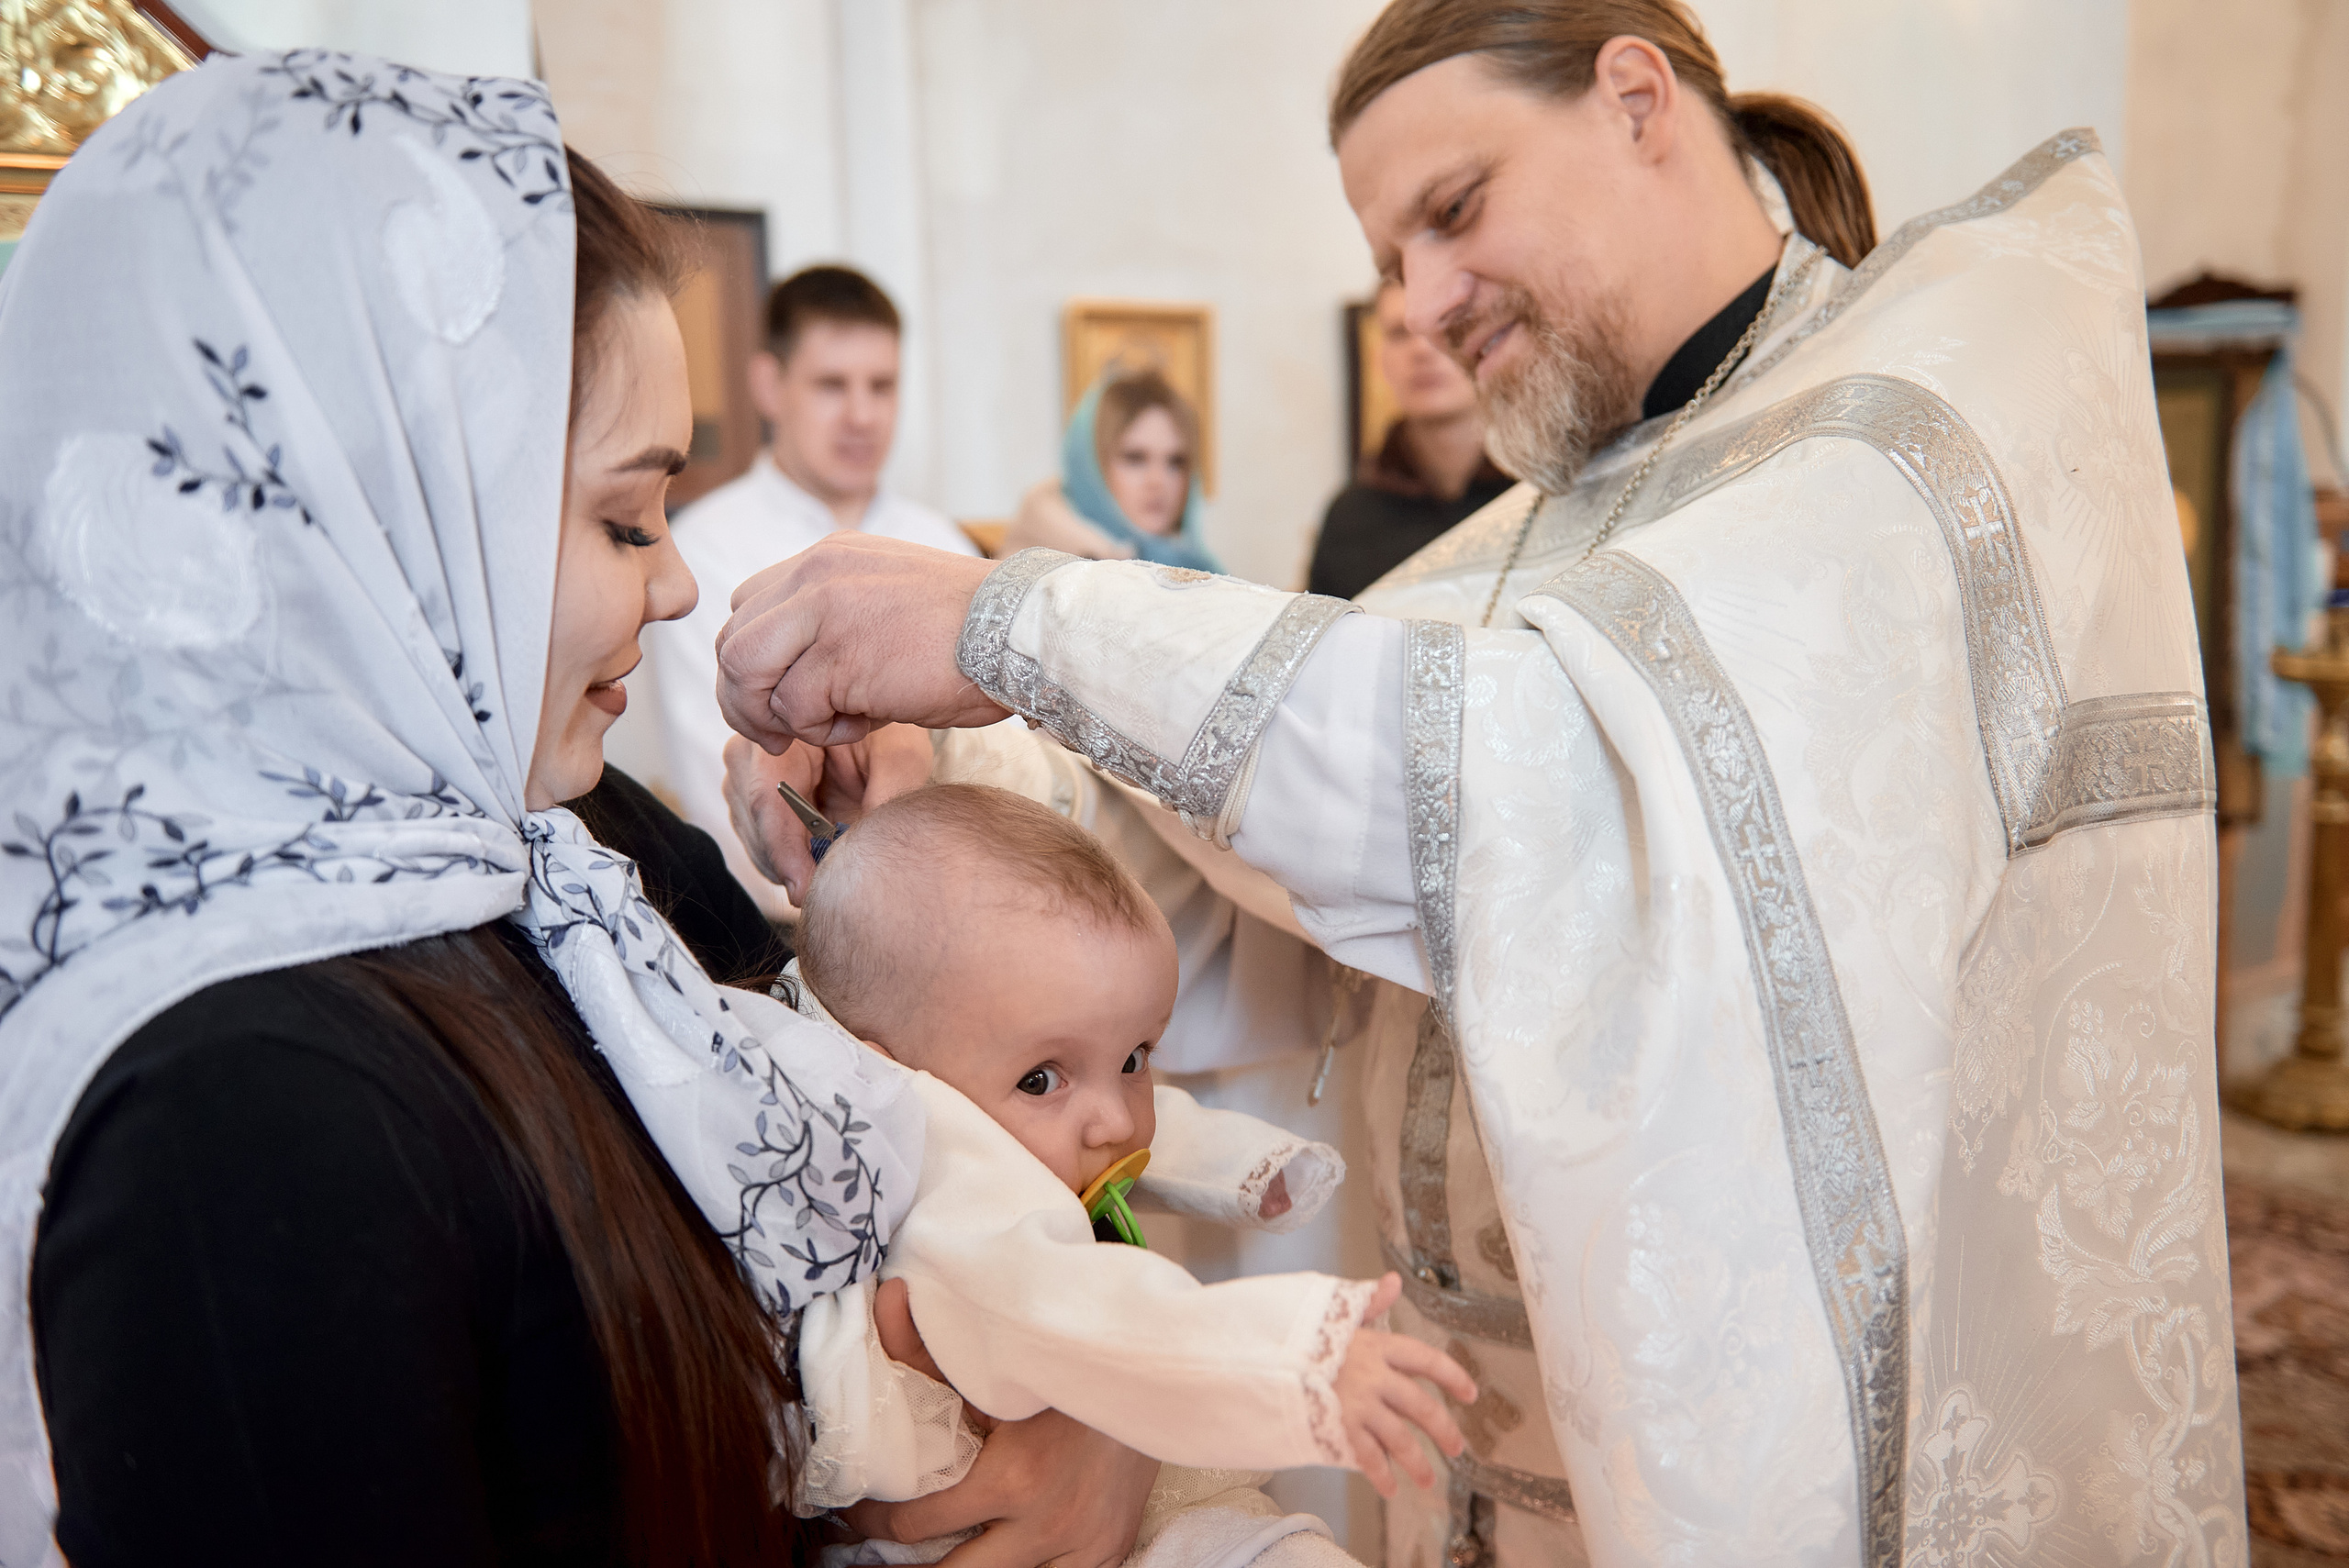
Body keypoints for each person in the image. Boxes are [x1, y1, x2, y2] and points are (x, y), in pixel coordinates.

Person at [707, 3, 2249, 1565]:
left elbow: (1534, 783)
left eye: (1453, 211)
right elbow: (1265, 881)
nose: (1424, 305)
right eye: (1390, 260)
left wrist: (1007, 619)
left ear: (1636, 98)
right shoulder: (1531, 535)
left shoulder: (1915, 413)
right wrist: (936, 793)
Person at [0, 51, 1152, 1568]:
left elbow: (960, 1137)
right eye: (623, 517)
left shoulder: (575, 846)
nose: (676, 585)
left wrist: (1093, 1415)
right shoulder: (235, 1118)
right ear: (376, 519)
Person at [777, 783, 1475, 1567]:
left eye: (1136, 1057)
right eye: (1043, 1078)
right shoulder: (963, 1217)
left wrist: (1248, 1168)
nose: (1115, 1119)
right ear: (890, 1076)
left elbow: (1154, 1130)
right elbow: (1096, 1312)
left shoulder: (964, 1109)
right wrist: (1294, 1358)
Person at [646, 265, 974, 917]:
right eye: (832, 385)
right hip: (775, 925)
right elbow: (725, 785)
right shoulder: (707, 550)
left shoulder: (945, 546)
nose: (862, 415)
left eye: (882, 386)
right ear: (770, 384)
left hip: (954, 898)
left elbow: (1004, 757)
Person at [1308, 282, 1515, 601]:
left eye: (1445, 327)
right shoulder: (1349, 518)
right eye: (1399, 333)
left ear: (1490, 344)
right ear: (1380, 359)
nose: (1421, 350)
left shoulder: (1544, 493)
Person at [1008, 368, 1222, 573]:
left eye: (1176, 462)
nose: (1158, 481)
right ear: (1090, 467)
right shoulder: (1036, 577)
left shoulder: (1198, 568)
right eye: (1135, 458)